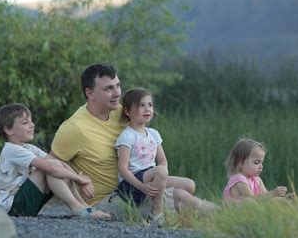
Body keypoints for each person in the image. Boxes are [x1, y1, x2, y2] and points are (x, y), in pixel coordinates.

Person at [50, 63, 216, 222]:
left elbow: (143, 133)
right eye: (109, 88)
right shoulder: (74, 127)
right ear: (90, 93)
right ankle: (224, 215)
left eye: (118, 86)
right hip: (107, 202)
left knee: (188, 186)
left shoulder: (120, 112)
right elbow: (51, 164)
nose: (117, 93)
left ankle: (225, 210)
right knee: (181, 196)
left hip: (133, 185)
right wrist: (78, 181)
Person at [0, 103, 111, 219]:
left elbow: (60, 163)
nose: (32, 125)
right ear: (8, 129)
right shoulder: (11, 149)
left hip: (25, 203)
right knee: (50, 167)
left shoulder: (29, 148)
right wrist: (79, 179)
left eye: (31, 121)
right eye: (25, 123)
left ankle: (83, 207)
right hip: (13, 208)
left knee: (57, 166)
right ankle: (76, 208)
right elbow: (51, 167)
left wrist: (79, 180)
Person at [116, 88, 209, 226]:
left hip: (152, 176)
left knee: (189, 185)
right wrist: (142, 186)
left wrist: (162, 180)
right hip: (132, 184)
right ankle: (156, 214)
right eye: (141, 105)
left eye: (150, 105)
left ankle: (185, 211)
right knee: (160, 171)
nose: (147, 109)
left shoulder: (154, 134)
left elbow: (163, 160)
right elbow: (122, 169)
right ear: (128, 111)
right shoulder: (127, 135)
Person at [223, 138, 296, 204]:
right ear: (241, 163)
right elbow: (253, 198)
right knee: (249, 201)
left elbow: (266, 197)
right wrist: (273, 193)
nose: (261, 166)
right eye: (256, 162)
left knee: (270, 200)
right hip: (235, 207)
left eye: (261, 162)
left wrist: (278, 198)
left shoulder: (257, 179)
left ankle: (284, 201)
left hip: (253, 204)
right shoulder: (239, 179)